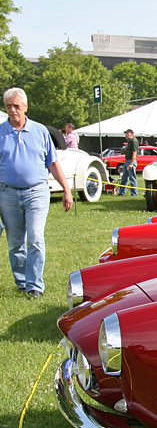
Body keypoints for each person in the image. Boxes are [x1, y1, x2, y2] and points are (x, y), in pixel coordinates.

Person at [0, 87, 73, 299]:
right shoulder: (1, 132)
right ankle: (22, 282)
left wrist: (67, 190)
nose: (12, 110)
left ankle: (35, 286)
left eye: (16, 106)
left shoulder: (40, 131)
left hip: (37, 193)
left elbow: (53, 163)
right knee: (15, 242)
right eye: (8, 107)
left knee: (35, 239)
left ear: (26, 107)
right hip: (7, 194)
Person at [120, 128, 139, 196]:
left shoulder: (134, 141)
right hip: (127, 161)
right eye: (126, 134)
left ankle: (134, 193)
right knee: (124, 178)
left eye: (127, 133)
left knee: (132, 178)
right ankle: (121, 192)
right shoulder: (129, 142)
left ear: (132, 134)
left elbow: (134, 152)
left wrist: (131, 163)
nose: (126, 135)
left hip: (131, 161)